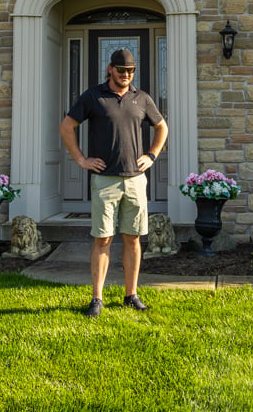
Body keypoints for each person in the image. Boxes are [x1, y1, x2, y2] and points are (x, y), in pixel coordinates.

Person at [59, 48, 168, 317]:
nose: (126, 75)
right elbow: (66, 126)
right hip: (105, 181)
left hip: (135, 179)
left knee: (133, 239)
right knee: (103, 239)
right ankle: (97, 298)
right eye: (121, 70)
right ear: (110, 69)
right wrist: (81, 159)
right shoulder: (94, 96)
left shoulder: (141, 98)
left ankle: (131, 294)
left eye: (130, 71)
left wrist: (151, 155)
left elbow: (162, 127)